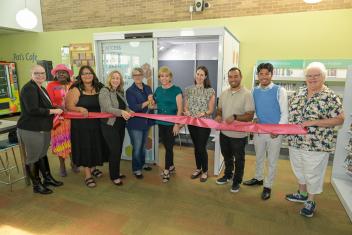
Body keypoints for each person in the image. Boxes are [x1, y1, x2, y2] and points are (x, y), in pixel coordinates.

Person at [285, 62, 344, 218]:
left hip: (317, 143)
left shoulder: (331, 96)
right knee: (299, 169)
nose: (312, 79)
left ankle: (310, 201)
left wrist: (315, 122)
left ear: (324, 77)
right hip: (295, 141)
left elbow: (340, 119)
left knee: (313, 173)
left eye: (316, 75)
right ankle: (302, 193)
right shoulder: (299, 92)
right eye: (309, 76)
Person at [243, 62, 288, 200]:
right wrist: (255, 118)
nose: (264, 77)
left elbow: (284, 113)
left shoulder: (280, 90)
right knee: (259, 157)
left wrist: (278, 130)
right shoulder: (254, 91)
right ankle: (258, 178)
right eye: (261, 74)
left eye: (266, 74)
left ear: (271, 75)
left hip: (274, 133)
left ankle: (268, 186)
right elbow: (254, 109)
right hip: (259, 131)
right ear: (258, 75)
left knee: (272, 160)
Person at [17, 65, 63, 195]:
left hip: (43, 128)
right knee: (33, 157)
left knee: (42, 154)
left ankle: (47, 179)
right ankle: (36, 185)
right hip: (31, 129)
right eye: (37, 73)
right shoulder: (29, 88)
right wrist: (53, 110)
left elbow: (43, 106)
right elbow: (33, 110)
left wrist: (55, 107)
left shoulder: (41, 87)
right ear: (31, 74)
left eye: (42, 73)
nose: (40, 75)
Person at [66, 65, 106, 188]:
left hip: (97, 124)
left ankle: (93, 168)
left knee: (95, 146)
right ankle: (88, 175)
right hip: (81, 126)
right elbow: (69, 106)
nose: (87, 75)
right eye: (84, 74)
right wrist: (78, 108)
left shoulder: (99, 87)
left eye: (89, 73)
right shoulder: (76, 89)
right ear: (80, 76)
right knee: (86, 148)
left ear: (93, 74)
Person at [214, 67, 254, 192]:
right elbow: (220, 109)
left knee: (239, 159)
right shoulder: (224, 93)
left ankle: (237, 181)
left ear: (240, 77)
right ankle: (227, 175)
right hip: (224, 133)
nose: (233, 79)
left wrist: (236, 117)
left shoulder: (247, 94)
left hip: (239, 136)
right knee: (227, 157)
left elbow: (250, 115)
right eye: (230, 77)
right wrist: (219, 115)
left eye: (236, 76)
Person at [99, 70, 131, 186]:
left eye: (118, 78)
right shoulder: (104, 91)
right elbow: (107, 108)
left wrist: (128, 111)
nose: (116, 80)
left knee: (118, 150)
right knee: (115, 150)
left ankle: (116, 171)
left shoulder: (120, 92)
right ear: (109, 79)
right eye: (113, 78)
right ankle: (114, 176)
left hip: (120, 124)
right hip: (109, 125)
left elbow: (125, 106)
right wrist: (122, 112)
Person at [46, 64, 79, 177]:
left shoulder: (73, 85)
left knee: (73, 141)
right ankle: (62, 165)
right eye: (58, 72)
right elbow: (49, 101)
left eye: (63, 72)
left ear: (68, 74)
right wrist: (57, 106)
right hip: (58, 119)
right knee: (61, 141)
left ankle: (73, 163)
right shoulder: (51, 85)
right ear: (56, 74)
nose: (61, 74)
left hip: (72, 118)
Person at [184, 65, 215, 182]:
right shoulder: (188, 89)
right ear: (195, 75)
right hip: (191, 122)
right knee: (196, 147)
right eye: (198, 74)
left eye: (202, 74)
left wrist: (202, 113)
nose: (199, 76)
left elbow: (211, 110)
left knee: (201, 147)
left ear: (205, 76)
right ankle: (198, 168)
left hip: (204, 122)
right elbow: (186, 106)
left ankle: (205, 171)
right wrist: (186, 112)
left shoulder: (210, 90)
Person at [154, 66, 182, 183]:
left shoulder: (176, 90)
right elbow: (155, 105)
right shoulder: (158, 90)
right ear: (159, 78)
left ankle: (166, 170)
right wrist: (150, 101)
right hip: (161, 123)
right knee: (166, 146)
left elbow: (180, 108)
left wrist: (177, 124)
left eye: (166, 76)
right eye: (161, 76)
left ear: (170, 77)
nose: (164, 78)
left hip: (172, 124)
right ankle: (171, 166)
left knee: (169, 148)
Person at [126, 67, 155, 179]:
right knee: (137, 147)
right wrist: (148, 101)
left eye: (139, 75)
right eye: (135, 75)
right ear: (132, 77)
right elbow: (135, 107)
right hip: (135, 124)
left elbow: (152, 104)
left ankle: (142, 164)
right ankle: (136, 169)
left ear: (143, 76)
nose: (137, 77)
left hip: (146, 122)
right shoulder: (130, 91)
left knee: (142, 145)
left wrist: (152, 104)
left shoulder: (148, 88)